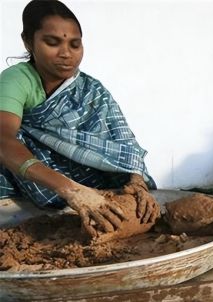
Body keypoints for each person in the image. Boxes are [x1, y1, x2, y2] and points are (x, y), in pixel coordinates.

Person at [0, 0, 157, 237]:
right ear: (28, 41)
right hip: (36, 186)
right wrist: (72, 191)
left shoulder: (91, 89)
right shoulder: (18, 79)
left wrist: (136, 181)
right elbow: (3, 140)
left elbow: (124, 142)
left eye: (75, 44)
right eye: (52, 42)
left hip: (94, 191)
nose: (66, 54)